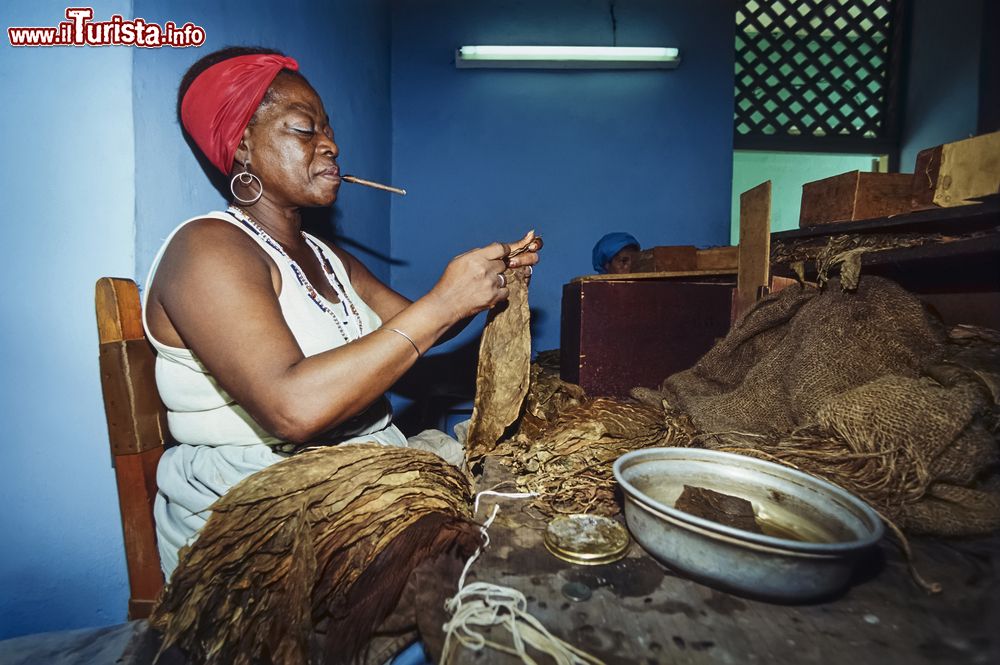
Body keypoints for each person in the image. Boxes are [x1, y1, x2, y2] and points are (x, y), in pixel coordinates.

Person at [143, 47, 541, 577]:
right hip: (258, 510)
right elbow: (292, 409)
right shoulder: (207, 249)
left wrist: (481, 288)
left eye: (327, 129)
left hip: (358, 469)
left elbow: (425, 327)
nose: (330, 145)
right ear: (241, 145)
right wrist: (444, 302)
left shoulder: (329, 258)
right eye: (304, 129)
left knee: (531, 500)